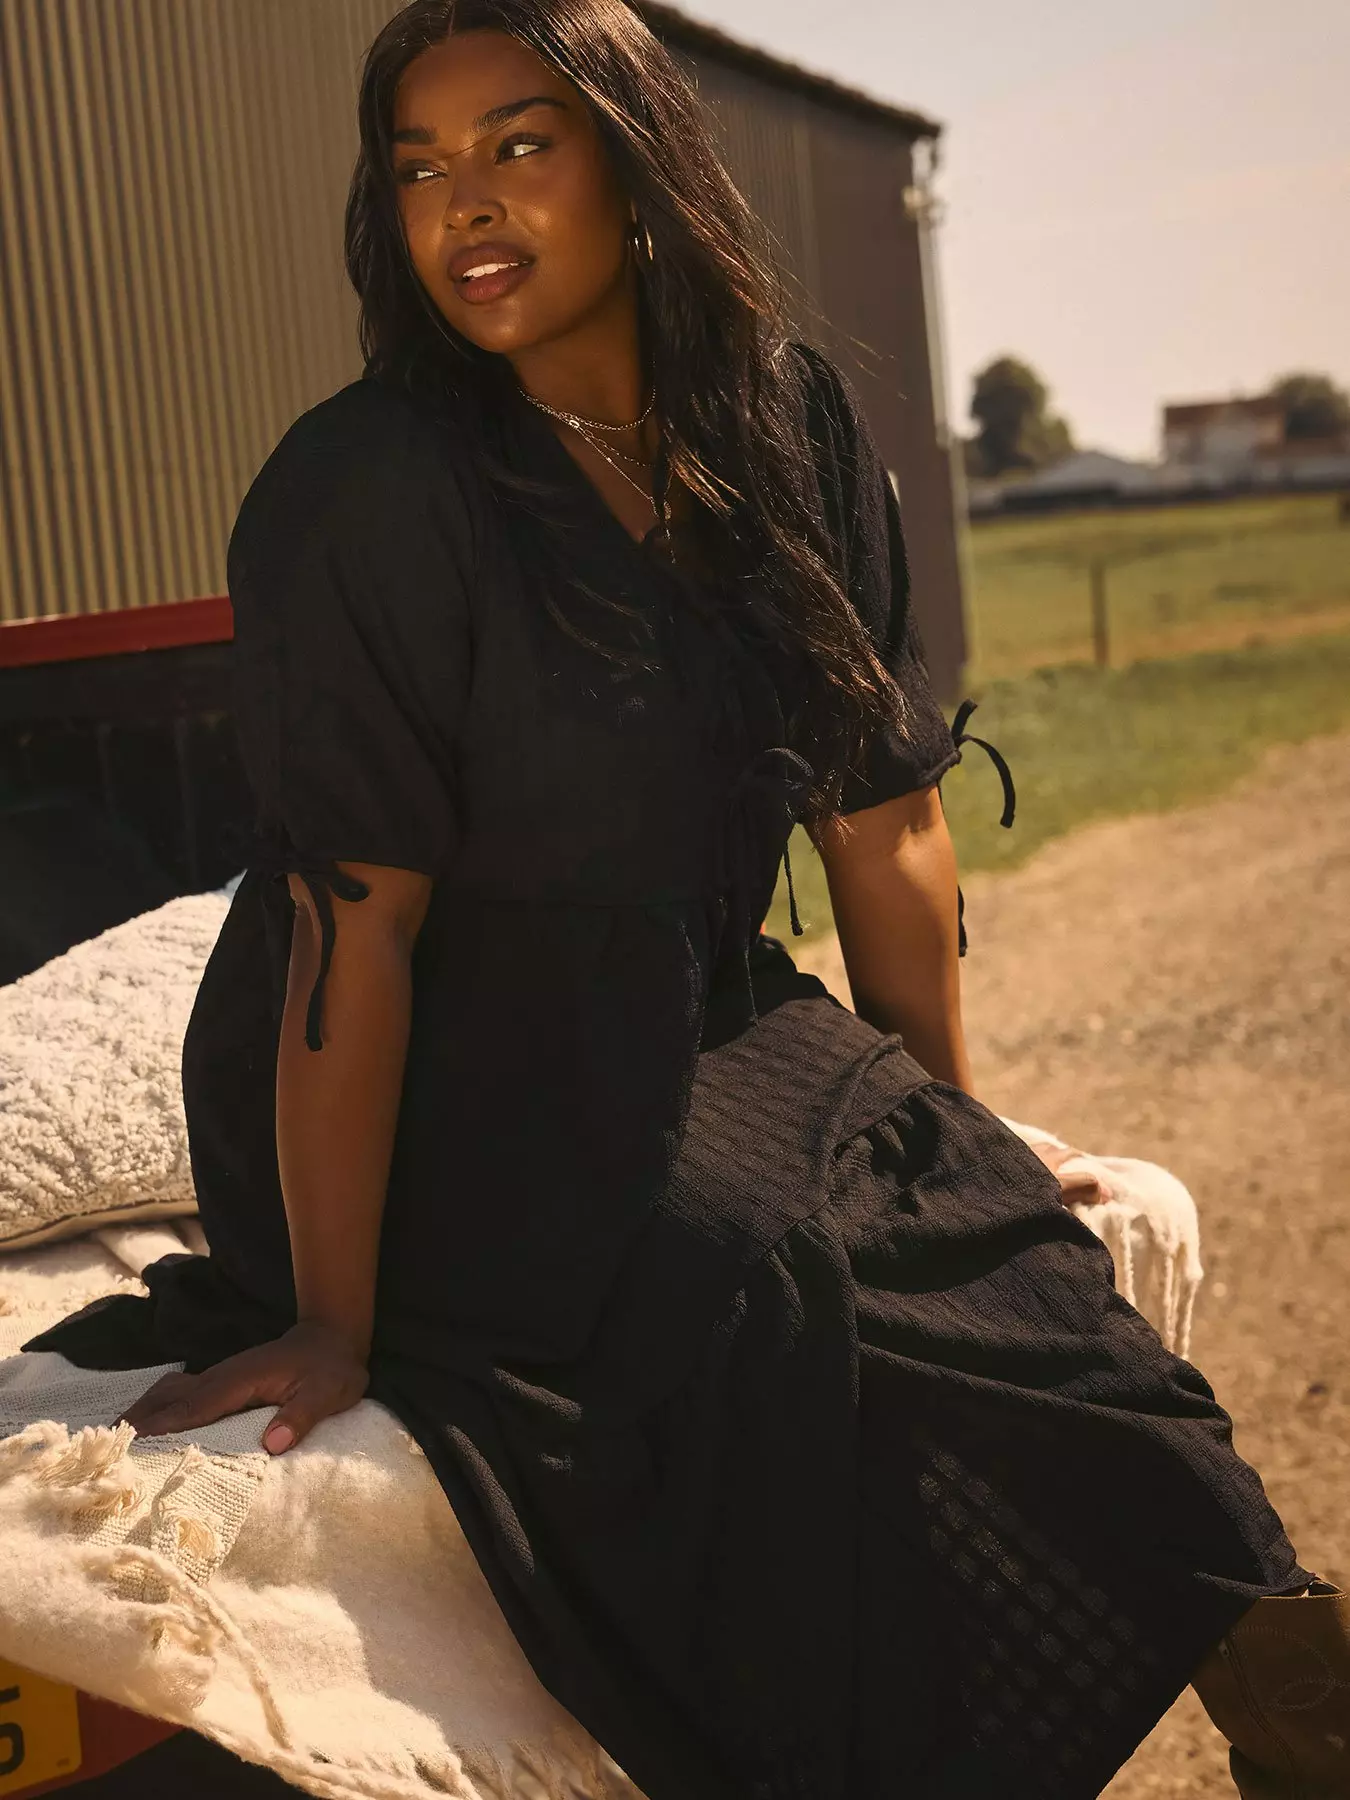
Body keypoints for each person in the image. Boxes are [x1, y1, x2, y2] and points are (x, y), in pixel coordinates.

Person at [28, 3, 1348, 1795]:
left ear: (635, 164)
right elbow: (355, 926)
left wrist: (959, 1129)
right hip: (430, 1067)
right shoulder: (366, 490)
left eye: (518, 146)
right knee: (747, 1282)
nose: (464, 206)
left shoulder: (784, 422)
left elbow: (883, 823)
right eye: (418, 169)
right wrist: (331, 1317)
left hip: (693, 999)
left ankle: (1284, 1675)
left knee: (1007, 1265)